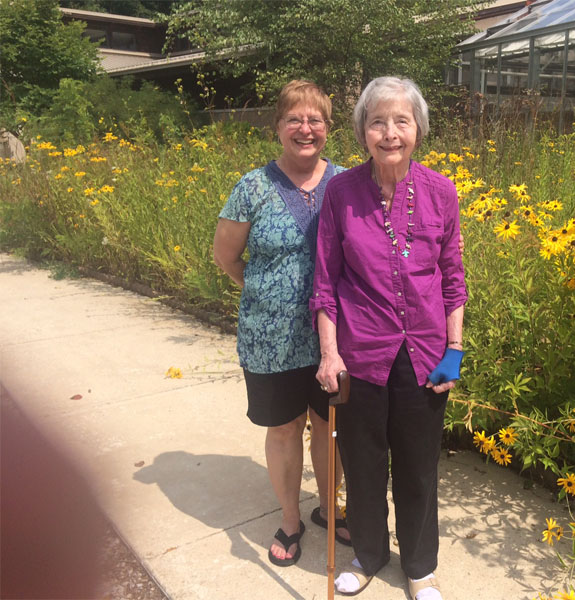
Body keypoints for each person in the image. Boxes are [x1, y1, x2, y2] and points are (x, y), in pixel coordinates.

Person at [311, 76, 467, 600]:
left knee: (419, 467)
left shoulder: (441, 191)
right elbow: (326, 280)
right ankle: (369, 554)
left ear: (418, 128)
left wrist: (454, 350)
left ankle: (420, 567)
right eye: (378, 121)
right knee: (363, 462)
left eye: (401, 121)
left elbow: (452, 277)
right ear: (362, 131)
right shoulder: (341, 192)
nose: (390, 132)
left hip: (425, 356)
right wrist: (329, 352)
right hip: (360, 353)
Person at [213, 79, 350, 567]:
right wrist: (267, 294)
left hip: (333, 336)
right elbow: (226, 257)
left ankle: (330, 511)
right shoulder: (252, 186)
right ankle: (291, 520)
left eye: (315, 119)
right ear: (278, 127)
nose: (305, 128)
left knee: (328, 425)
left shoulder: (348, 183)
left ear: (328, 130)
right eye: (294, 118)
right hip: (270, 340)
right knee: (285, 428)